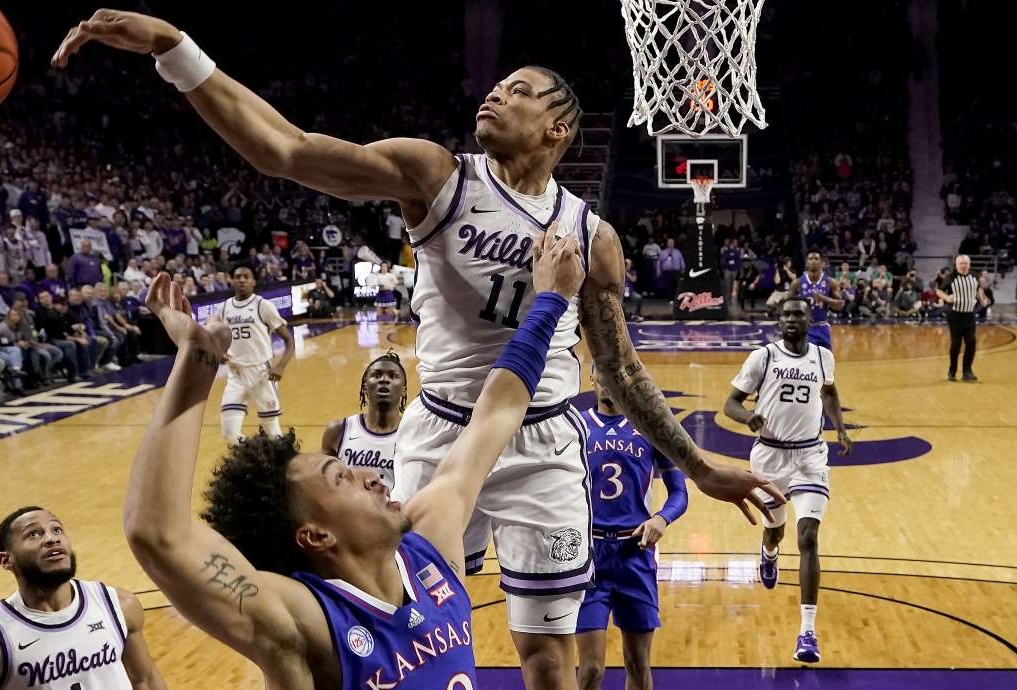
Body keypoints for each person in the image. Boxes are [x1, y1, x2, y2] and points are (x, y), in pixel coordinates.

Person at [54, 17, 780, 688]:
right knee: (403, 617)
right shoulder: (437, 175)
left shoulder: (592, 235)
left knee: (553, 663)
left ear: (557, 128)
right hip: (444, 435)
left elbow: (620, 369)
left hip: (544, 438)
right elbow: (285, 150)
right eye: (497, 86)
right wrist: (176, 51)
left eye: (518, 91)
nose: (495, 94)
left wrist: (697, 465)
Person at [118, 231, 581, 690]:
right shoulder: (306, 625)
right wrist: (197, 365)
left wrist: (551, 301)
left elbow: (495, 413)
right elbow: (156, 531)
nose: (369, 476)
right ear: (316, 535)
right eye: (340, 476)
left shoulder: (430, 544)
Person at [723, 297, 852, 664]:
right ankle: (769, 553)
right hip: (769, 454)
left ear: (809, 319)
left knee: (809, 536)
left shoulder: (823, 357)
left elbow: (829, 392)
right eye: (787, 314)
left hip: (811, 455)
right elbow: (729, 403)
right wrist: (746, 417)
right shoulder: (763, 357)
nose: (793, 319)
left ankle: (807, 631)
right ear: (779, 321)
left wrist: (840, 428)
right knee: (775, 530)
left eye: (798, 313)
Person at [0, 507, 167, 689]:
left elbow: (144, 681)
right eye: (34, 534)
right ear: (6, 560)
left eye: (57, 530)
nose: (52, 539)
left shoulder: (118, 605)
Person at [575, 370, 687, 690]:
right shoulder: (576, 426)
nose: (609, 382)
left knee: (638, 664)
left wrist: (661, 519)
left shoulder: (651, 429)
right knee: (591, 669)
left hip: (635, 552)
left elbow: (679, 493)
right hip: (589, 556)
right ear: (593, 377)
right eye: (603, 374)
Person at [216, 265, 295, 442]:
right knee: (229, 433)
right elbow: (216, 338)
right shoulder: (222, 308)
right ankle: (256, 457)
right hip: (235, 373)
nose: (242, 280)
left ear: (254, 281)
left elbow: (289, 340)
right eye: (237, 276)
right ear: (231, 280)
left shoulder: (263, 305)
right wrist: (219, 351)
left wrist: (280, 366)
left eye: (246, 276)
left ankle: (282, 463)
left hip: (262, 373)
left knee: (272, 433)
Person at [320, 351, 406, 489]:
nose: (384, 379)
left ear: (404, 390)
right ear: (365, 387)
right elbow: (323, 483)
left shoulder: (413, 433)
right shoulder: (339, 430)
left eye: (393, 376)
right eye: (376, 375)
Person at [937, 255, 986, 381]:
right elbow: (939, 291)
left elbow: (978, 289)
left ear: (969, 265)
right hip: (955, 315)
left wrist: (982, 298)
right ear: (956, 265)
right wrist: (947, 298)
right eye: (961, 263)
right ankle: (952, 371)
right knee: (956, 343)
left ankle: (967, 371)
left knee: (971, 342)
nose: (963, 266)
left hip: (969, 314)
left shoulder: (975, 276)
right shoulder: (951, 277)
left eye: (965, 263)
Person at [790, 250, 844, 350]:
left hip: (823, 327)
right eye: (811, 259)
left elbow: (840, 305)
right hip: (805, 328)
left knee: (826, 362)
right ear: (806, 262)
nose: (813, 261)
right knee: (808, 362)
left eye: (816, 258)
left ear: (821, 262)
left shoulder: (831, 282)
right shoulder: (797, 283)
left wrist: (823, 298)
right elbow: (787, 307)